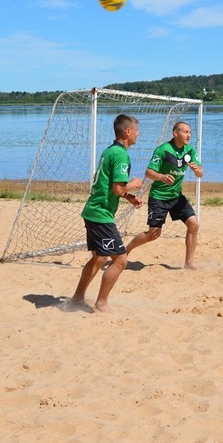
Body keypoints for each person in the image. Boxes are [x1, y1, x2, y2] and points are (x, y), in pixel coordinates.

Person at [69, 114, 143, 313]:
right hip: (100, 215)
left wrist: (129, 197)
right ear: (128, 131)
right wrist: (135, 184)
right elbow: (118, 188)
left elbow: (112, 187)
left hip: (92, 211)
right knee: (120, 259)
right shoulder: (120, 155)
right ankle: (101, 303)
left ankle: (76, 298)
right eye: (136, 129)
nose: (139, 133)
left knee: (99, 258)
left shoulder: (110, 151)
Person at [126, 121, 204, 270]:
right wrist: (161, 177)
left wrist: (196, 170)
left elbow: (201, 172)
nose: (188, 135)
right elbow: (148, 172)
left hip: (176, 196)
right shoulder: (163, 150)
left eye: (190, 132)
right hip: (159, 197)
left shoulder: (190, 150)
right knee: (153, 234)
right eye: (185, 132)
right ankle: (126, 250)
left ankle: (189, 263)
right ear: (176, 133)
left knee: (194, 225)